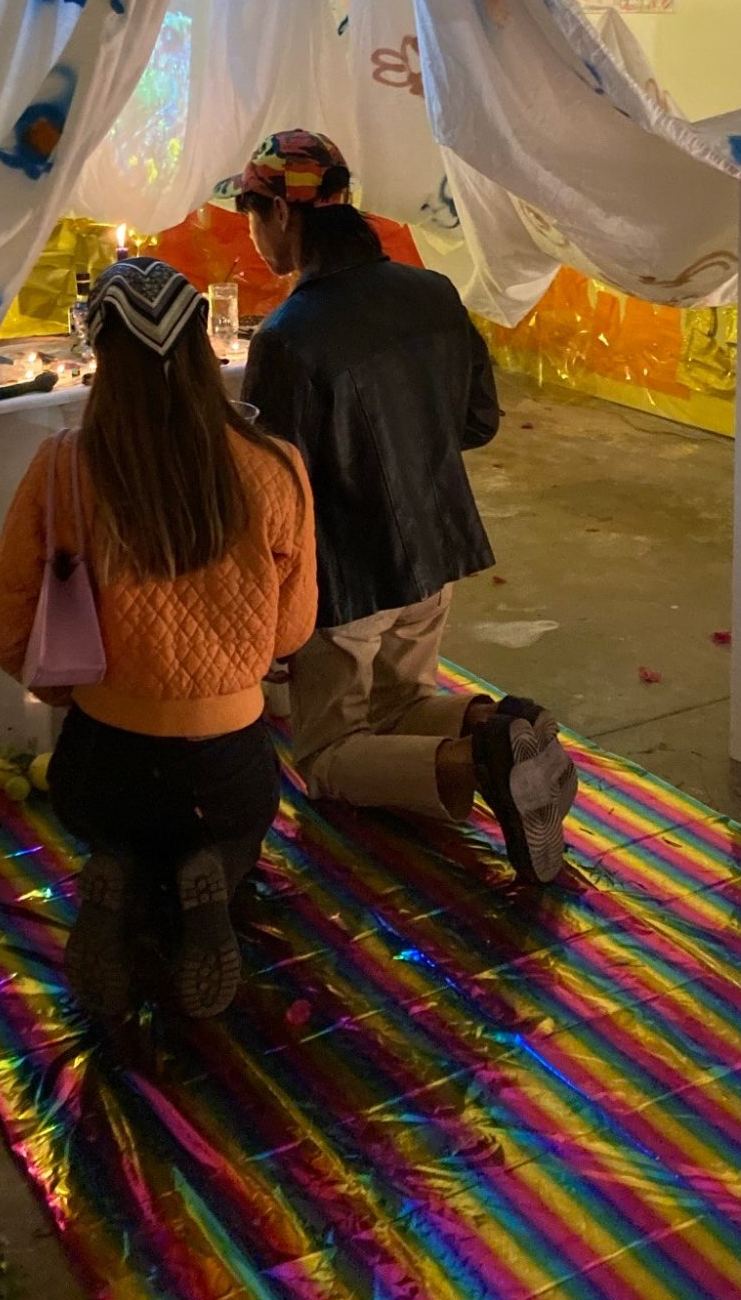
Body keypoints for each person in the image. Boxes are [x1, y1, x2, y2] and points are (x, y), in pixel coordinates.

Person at [236, 130, 577, 882]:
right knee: (401, 705)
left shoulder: (288, 337)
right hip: (433, 555)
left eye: (250, 216)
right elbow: (478, 423)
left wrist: (273, 613)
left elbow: (275, 496)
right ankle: (503, 727)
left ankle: (485, 768)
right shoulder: (432, 293)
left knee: (326, 756)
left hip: (346, 583)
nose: (254, 236)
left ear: (281, 214)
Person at [0, 259, 316, 1019]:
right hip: (228, 765)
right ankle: (215, 874)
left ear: (103, 356)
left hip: (105, 761)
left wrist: (67, 690)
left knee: (112, 825)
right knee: (234, 837)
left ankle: (125, 876)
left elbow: (10, 622)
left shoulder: (64, 466)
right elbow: (293, 630)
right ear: (201, 348)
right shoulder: (277, 465)